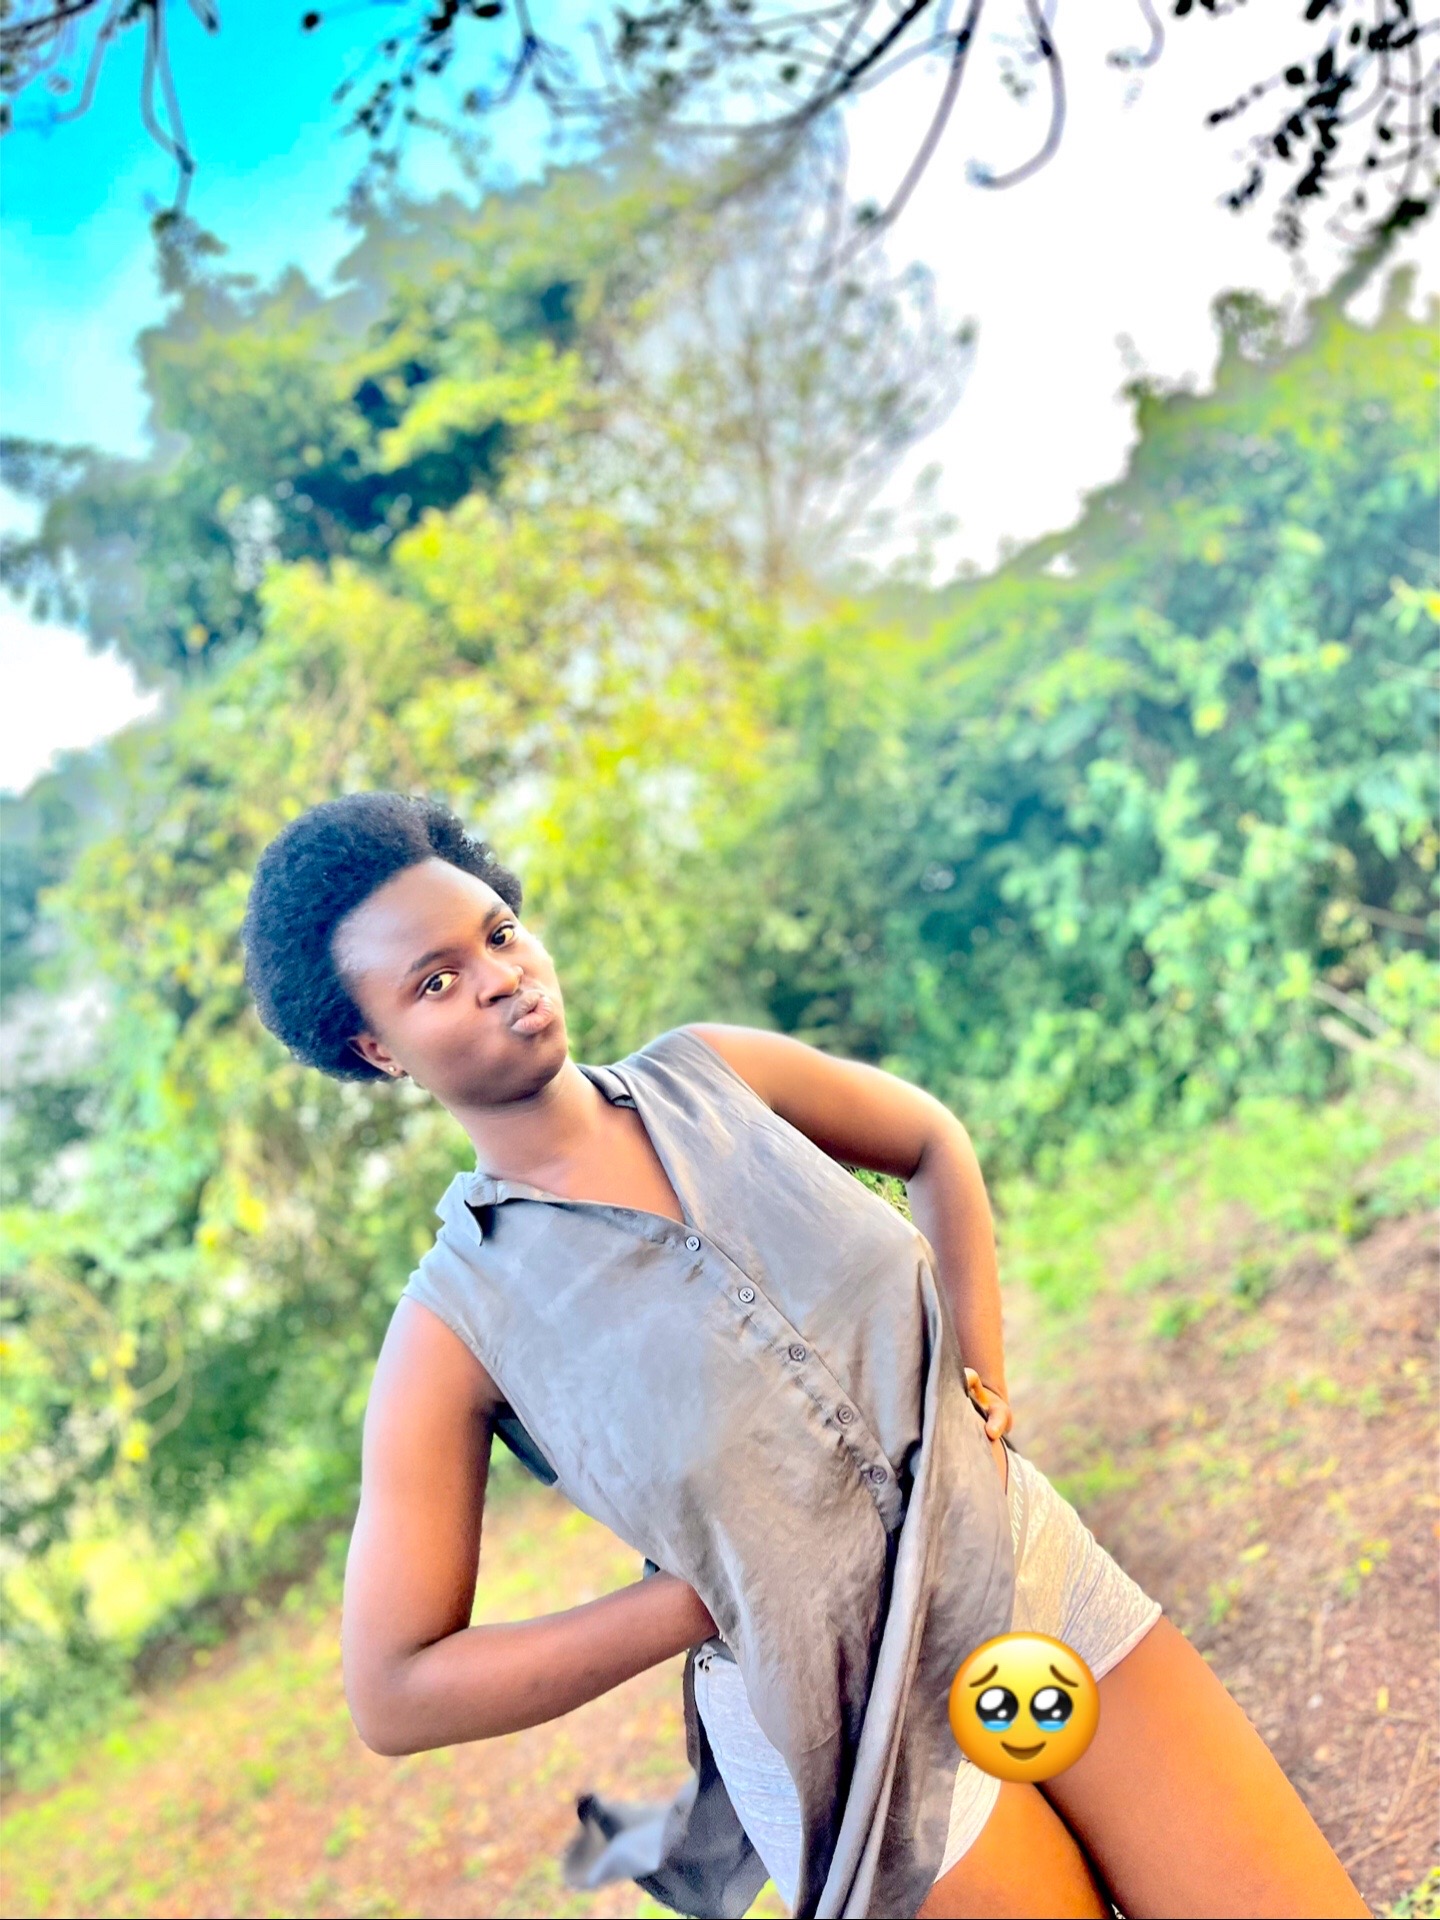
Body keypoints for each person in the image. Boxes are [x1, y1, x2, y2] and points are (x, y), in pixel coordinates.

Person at [241, 791, 1369, 1920]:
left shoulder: (718, 1077)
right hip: (835, 1729)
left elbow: (930, 1142)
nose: (498, 977)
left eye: (498, 933)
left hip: (1020, 1570)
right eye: (435, 982)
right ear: (376, 1048)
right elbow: (395, 1690)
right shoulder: (454, 1323)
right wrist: (700, 1602)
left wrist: (979, 1384)